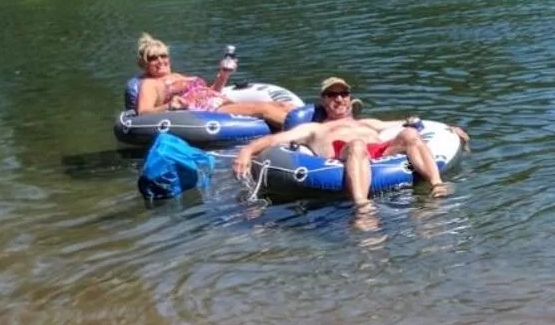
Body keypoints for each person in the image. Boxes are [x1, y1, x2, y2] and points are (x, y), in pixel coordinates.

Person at [232, 77, 464, 206]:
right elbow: (275, 139)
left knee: (410, 136)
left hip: (380, 152)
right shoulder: (315, 128)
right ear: (323, 101)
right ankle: (362, 207)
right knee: (357, 146)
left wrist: (447, 129)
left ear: (350, 99)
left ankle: (436, 184)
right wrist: (247, 151)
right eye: (332, 95)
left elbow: (411, 124)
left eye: (343, 94)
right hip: (345, 154)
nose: (339, 99)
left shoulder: (368, 123)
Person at [130, 33, 293, 129]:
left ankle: (313, 126)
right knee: (264, 108)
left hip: (219, 102)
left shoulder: (177, 76)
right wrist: (168, 106)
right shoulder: (149, 83)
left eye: (163, 55)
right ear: (144, 64)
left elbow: (211, 92)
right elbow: (143, 112)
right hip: (207, 112)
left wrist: (223, 75)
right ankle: (305, 134)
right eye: (153, 58)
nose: (160, 60)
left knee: (282, 105)